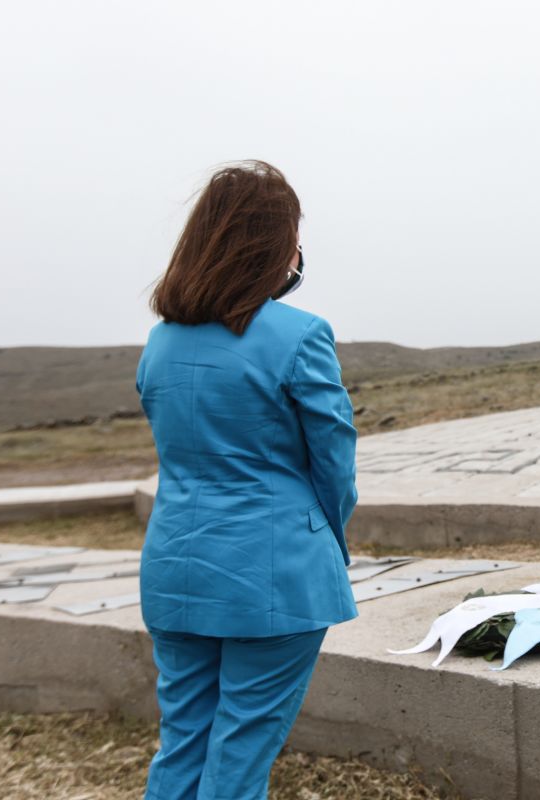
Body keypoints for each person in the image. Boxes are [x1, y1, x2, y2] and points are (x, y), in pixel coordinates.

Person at [135, 160, 358, 799]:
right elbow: (334, 465)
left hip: (176, 566)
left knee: (182, 744)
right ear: (275, 243)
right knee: (239, 759)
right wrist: (328, 541)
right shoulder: (301, 334)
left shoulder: (161, 342)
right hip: (276, 573)